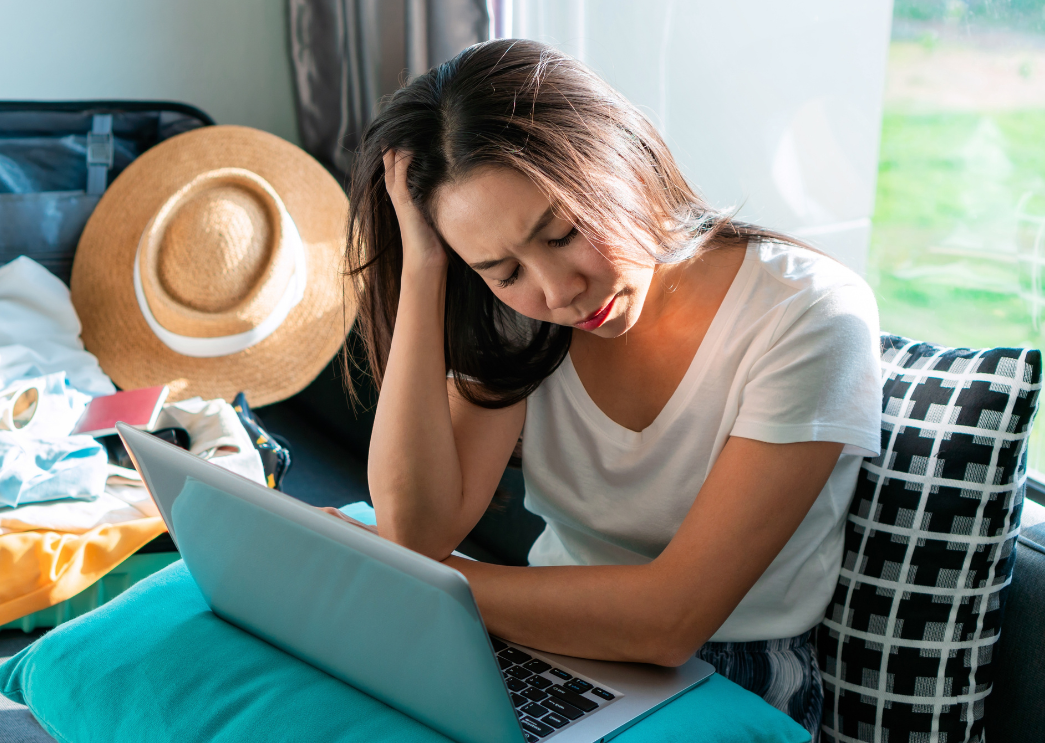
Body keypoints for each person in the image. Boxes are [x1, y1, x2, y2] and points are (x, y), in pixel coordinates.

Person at [338, 39, 882, 738]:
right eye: (503, 271)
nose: (557, 292)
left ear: (621, 158)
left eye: (564, 233)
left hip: (731, 667)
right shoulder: (519, 319)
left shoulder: (806, 314)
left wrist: (393, 574)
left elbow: (670, 622)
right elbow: (417, 531)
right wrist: (424, 268)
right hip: (534, 635)